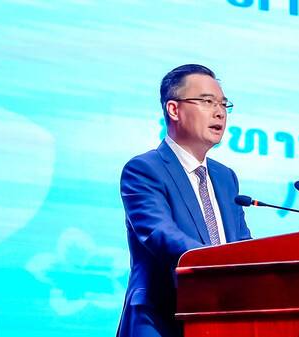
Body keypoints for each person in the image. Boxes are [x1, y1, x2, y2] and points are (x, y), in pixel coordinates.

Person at [117, 64, 252, 337]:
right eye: (207, 101)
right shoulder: (144, 169)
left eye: (224, 104)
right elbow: (160, 235)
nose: (219, 112)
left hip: (223, 317)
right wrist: (220, 262)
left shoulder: (226, 178)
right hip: (162, 318)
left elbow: (242, 244)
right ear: (174, 109)